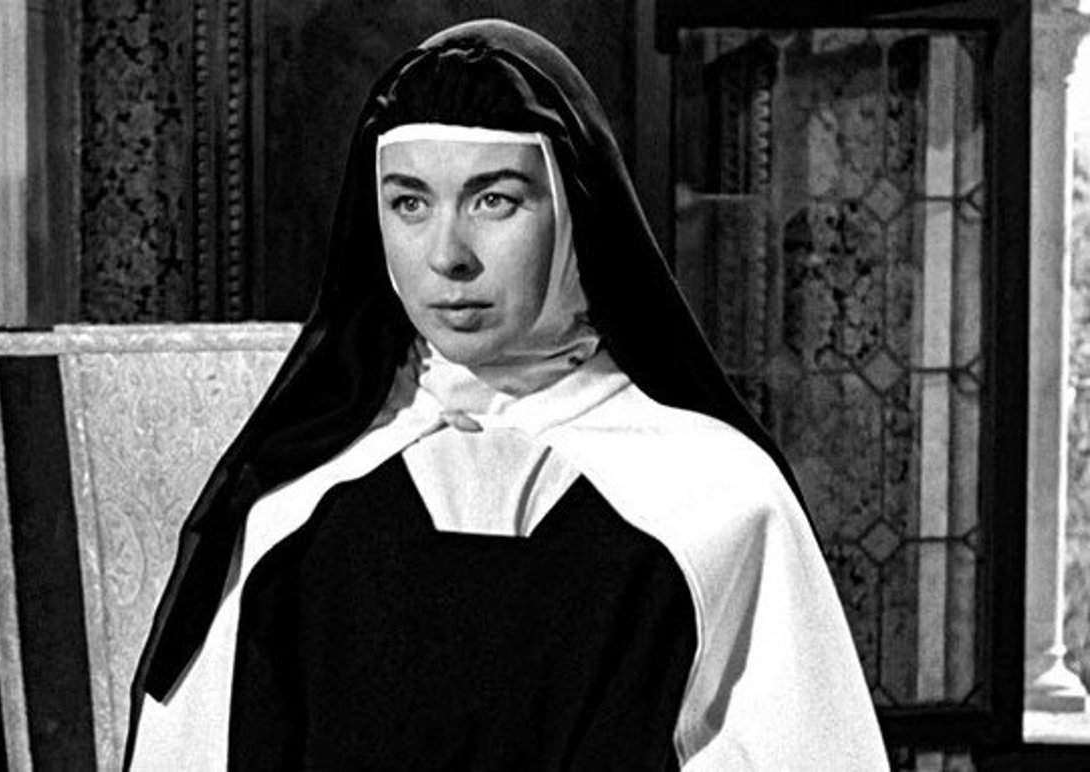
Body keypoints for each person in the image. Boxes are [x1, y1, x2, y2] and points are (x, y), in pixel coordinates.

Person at [126, 19, 888, 771]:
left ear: (576, 212)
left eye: (494, 200)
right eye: (410, 203)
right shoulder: (291, 508)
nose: (447, 255)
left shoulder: (718, 501)